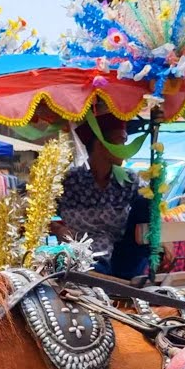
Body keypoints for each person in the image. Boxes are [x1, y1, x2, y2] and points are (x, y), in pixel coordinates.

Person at [55, 112, 151, 279]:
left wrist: (161, 239)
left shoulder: (130, 180)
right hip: (80, 258)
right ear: (101, 144)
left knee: (146, 204)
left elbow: (151, 213)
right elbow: (34, 207)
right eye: (121, 141)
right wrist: (57, 228)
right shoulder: (69, 181)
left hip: (124, 260)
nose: (125, 147)